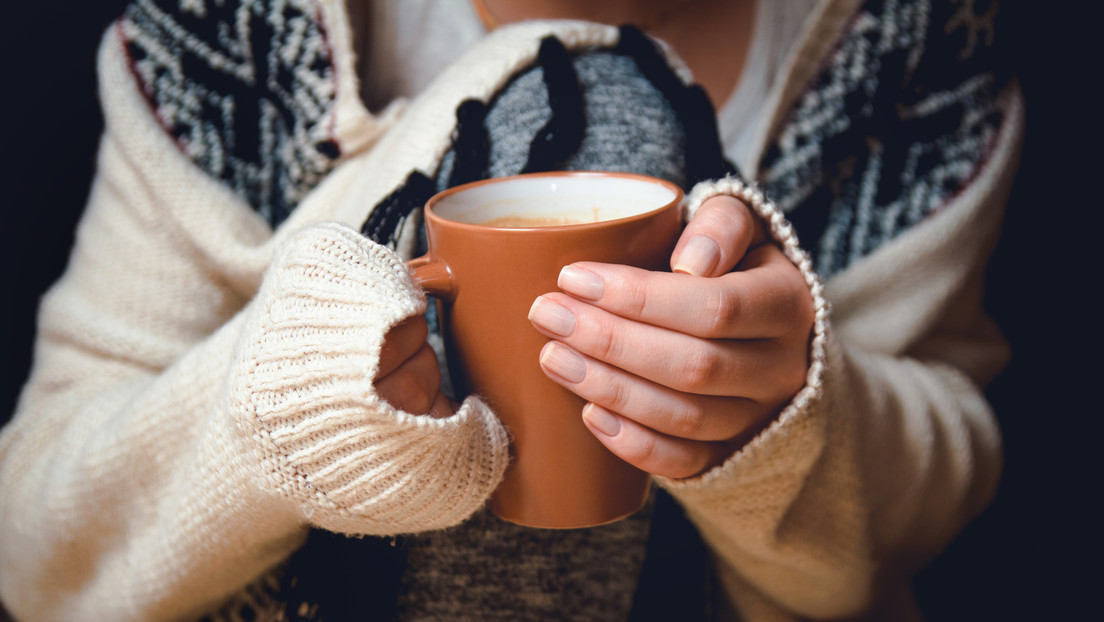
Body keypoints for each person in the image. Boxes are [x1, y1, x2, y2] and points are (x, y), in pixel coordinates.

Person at [0, 0, 1020, 620]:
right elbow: (33, 552)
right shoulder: (227, 34)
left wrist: (795, 421)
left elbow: (947, 494)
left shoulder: (910, 53)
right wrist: (280, 408)